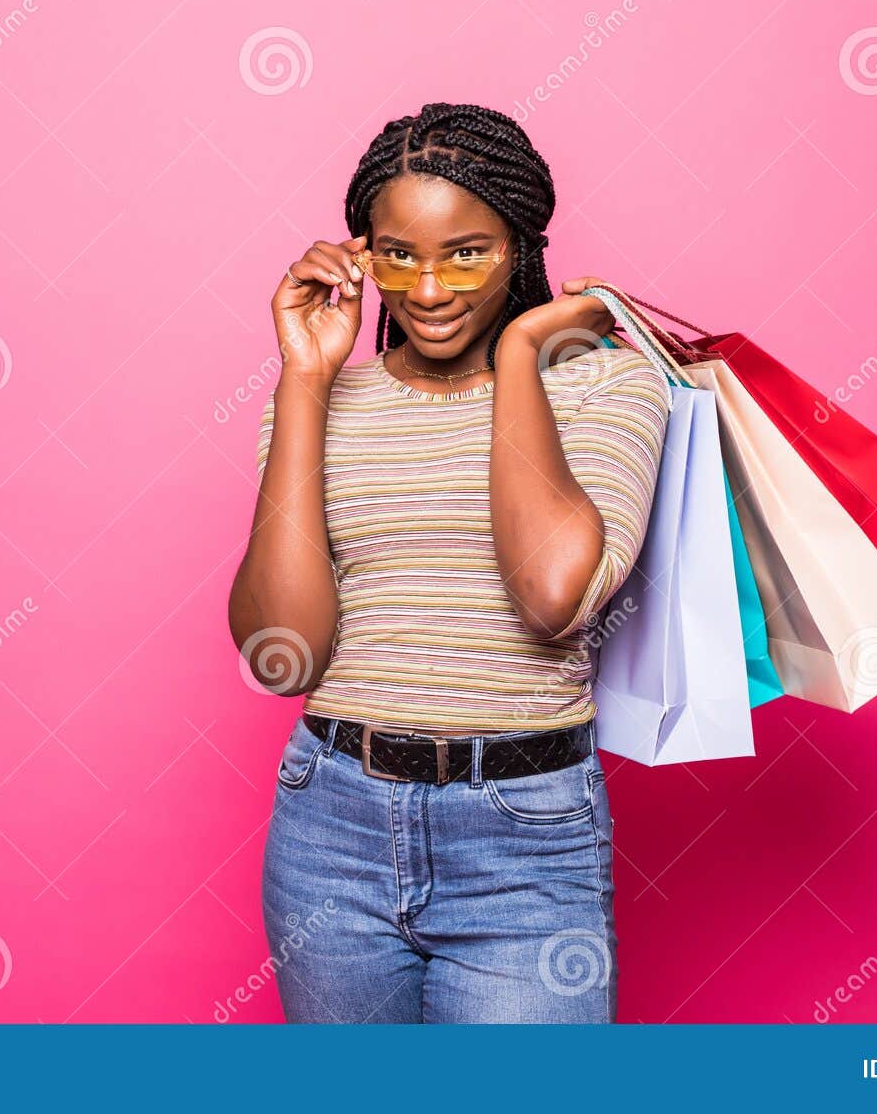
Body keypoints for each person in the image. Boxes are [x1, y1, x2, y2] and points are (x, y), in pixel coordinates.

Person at [227, 102, 671, 1023]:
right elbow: (284, 655)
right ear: (363, 254)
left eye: (467, 252)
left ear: (522, 248)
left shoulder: (605, 384)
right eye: (398, 254)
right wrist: (305, 381)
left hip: (524, 838)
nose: (427, 290)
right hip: (329, 826)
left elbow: (555, 596)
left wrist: (521, 350)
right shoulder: (315, 404)